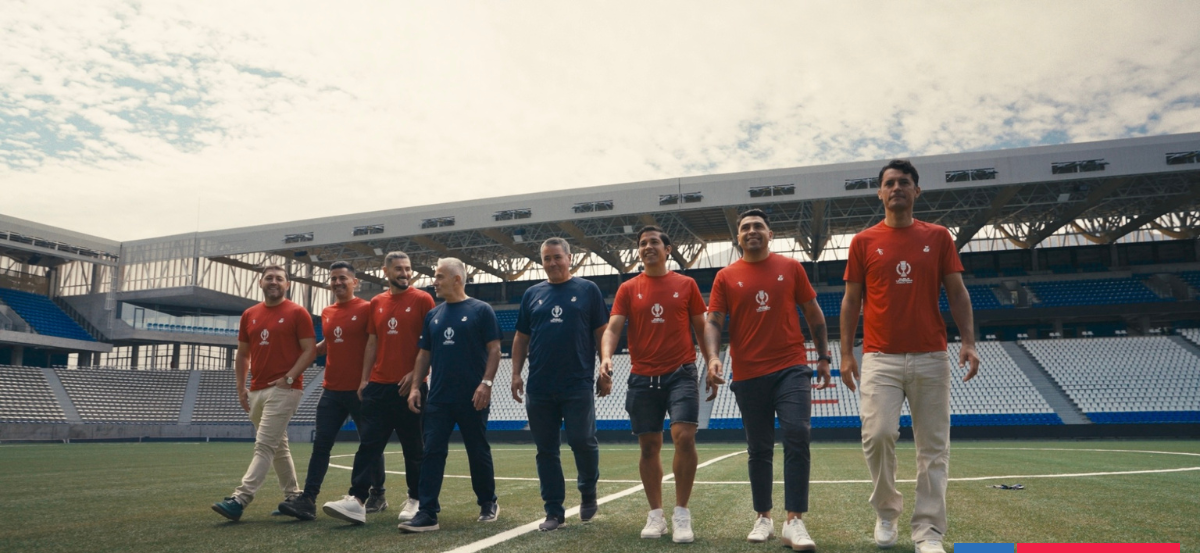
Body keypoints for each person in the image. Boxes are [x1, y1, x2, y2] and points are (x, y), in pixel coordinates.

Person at [840, 159, 980, 553]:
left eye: (905, 182)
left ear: (917, 192)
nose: (897, 187)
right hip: (879, 356)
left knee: (933, 448)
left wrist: (968, 341)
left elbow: (957, 292)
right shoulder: (863, 241)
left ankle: (928, 531)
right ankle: (886, 511)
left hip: (931, 355)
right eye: (890, 183)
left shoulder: (938, 237)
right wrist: (847, 353)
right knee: (878, 435)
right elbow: (852, 301)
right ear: (880, 193)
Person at [703, 209, 832, 551]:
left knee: (796, 433)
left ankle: (794, 521)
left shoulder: (791, 269)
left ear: (770, 234)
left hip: (791, 366)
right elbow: (714, 321)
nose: (752, 231)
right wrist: (714, 357)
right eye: (745, 228)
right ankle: (764, 517)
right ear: (738, 238)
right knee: (758, 448)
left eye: (758, 226)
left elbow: (814, 314)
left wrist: (823, 357)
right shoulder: (725, 277)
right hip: (748, 374)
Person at [599, 226, 712, 543]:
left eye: (653, 242)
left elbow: (702, 329)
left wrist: (712, 362)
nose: (647, 247)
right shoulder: (628, 288)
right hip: (642, 375)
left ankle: (681, 514)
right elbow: (612, 329)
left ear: (668, 249)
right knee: (649, 447)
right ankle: (656, 516)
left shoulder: (686, 285)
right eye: (642, 243)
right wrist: (606, 357)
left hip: (681, 372)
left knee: (684, 436)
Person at [321, 252, 434, 525]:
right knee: (368, 445)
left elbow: (431, 342)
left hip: (410, 387)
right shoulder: (377, 303)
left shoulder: (423, 300)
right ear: (386, 272)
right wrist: (364, 380)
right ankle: (357, 500)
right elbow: (372, 342)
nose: (404, 273)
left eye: (407, 269)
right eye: (398, 269)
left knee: (414, 448)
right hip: (378, 387)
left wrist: (417, 376)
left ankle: (415, 499)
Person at [510, 237, 609, 532]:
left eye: (557, 257)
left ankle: (588, 491)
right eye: (546, 259)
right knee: (546, 451)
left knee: (582, 441)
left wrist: (606, 367)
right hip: (539, 387)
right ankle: (554, 510)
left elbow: (602, 332)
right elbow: (520, 338)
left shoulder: (588, 290)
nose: (552, 263)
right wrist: (516, 373)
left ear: (570, 258)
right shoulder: (532, 294)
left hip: (577, 383)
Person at [398, 257, 501, 533]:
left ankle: (487, 502)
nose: (435, 281)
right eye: (435, 276)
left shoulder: (481, 310)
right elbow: (424, 354)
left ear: (457, 279)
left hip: (472, 396)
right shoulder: (433, 314)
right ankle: (428, 512)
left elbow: (494, 349)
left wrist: (486, 383)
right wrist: (416, 386)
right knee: (431, 452)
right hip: (440, 399)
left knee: (477, 450)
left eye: (440, 276)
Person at [277, 262, 384, 521]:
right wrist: (309, 353)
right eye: (333, 278)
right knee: (321, 445)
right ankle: (308, 499)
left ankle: (377, 494)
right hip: (331, 391)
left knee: (370, 445)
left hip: (361, 390)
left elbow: (377, 343)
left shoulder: (368, 309)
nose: (337, 282)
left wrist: (369, 380)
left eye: (343, 278)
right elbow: (332, 342)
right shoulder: (327, 312)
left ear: (355, 282)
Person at [212, 265, 317, 521]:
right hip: (256, 389)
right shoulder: (249, 314)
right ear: (260, 283)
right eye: (269, 278)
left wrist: (290, 377)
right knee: (278, 447)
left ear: (287, 285)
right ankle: (294, 498)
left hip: (286, 388)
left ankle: (240, 498)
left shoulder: (297, 312)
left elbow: (310, 350)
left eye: (279, 279)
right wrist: (240, 387)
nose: (274, 282)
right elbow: (243, 353)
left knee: (264, 445)